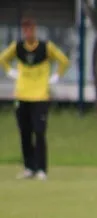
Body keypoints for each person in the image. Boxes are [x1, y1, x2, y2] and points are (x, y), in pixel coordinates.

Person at [0, 18, 70, 181]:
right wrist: (10, 71)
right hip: (22, 95)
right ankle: (28, 167)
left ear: (35, 30)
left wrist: (57, 76)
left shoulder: (46, 47)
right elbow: (3, 59)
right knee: (25, 133)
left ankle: (41, 169)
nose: (28, 33)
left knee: (39, 132)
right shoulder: (17, 47)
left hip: (40, 96)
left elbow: (63, 61)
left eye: (30, 30)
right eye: (25, 30)